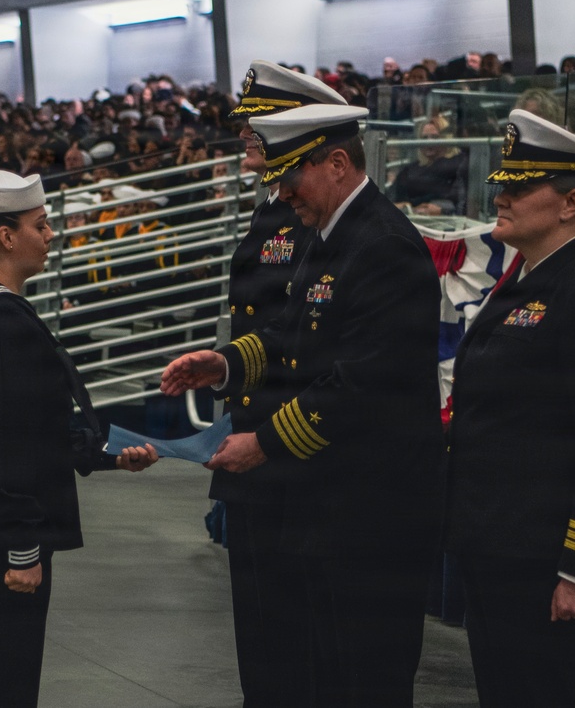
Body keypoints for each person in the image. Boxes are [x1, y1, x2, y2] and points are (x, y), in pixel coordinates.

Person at [161, 104, 444, 707]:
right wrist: (227, 364)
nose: (282, 192)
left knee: (361, 680)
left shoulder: (383, 245)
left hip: (374, 513)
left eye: (292, 176)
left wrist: (262, 442)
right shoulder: (332, 235)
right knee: (313, 676)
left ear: (337, 163)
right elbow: (291, 339)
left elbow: (359, 383)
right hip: (327, 504)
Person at [0, 170, 157, 707]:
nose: (50, 235)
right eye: (39, 225)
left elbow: (15, 423)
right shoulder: (4, 323)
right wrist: (23, 548)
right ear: (5, 236)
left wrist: (106, 455)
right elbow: (6, 444)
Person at [445, 109, 575, 708]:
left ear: (570, 203)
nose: (502, 197)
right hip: (499, 548)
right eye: (502, 185)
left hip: (547, 560)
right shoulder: (524, 284)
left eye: (520, 186)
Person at [215, 60, 346, 708]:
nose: (246, 136)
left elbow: (313, 347)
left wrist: (267, 438)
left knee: (292, 641)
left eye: (259, 128)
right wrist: (226, 367)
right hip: (256, 448)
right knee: (262, 638)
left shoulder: (310, 219)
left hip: (294, 456)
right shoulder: (273, 210)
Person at [388, 118, 467, 215]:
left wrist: (443, 211)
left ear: (446, 138)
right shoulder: (410, 169)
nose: (429, 142)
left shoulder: (459, 163)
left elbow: (462, 203)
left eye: (435, 137)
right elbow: (390, 198)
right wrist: (405, 206)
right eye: (425, 138)